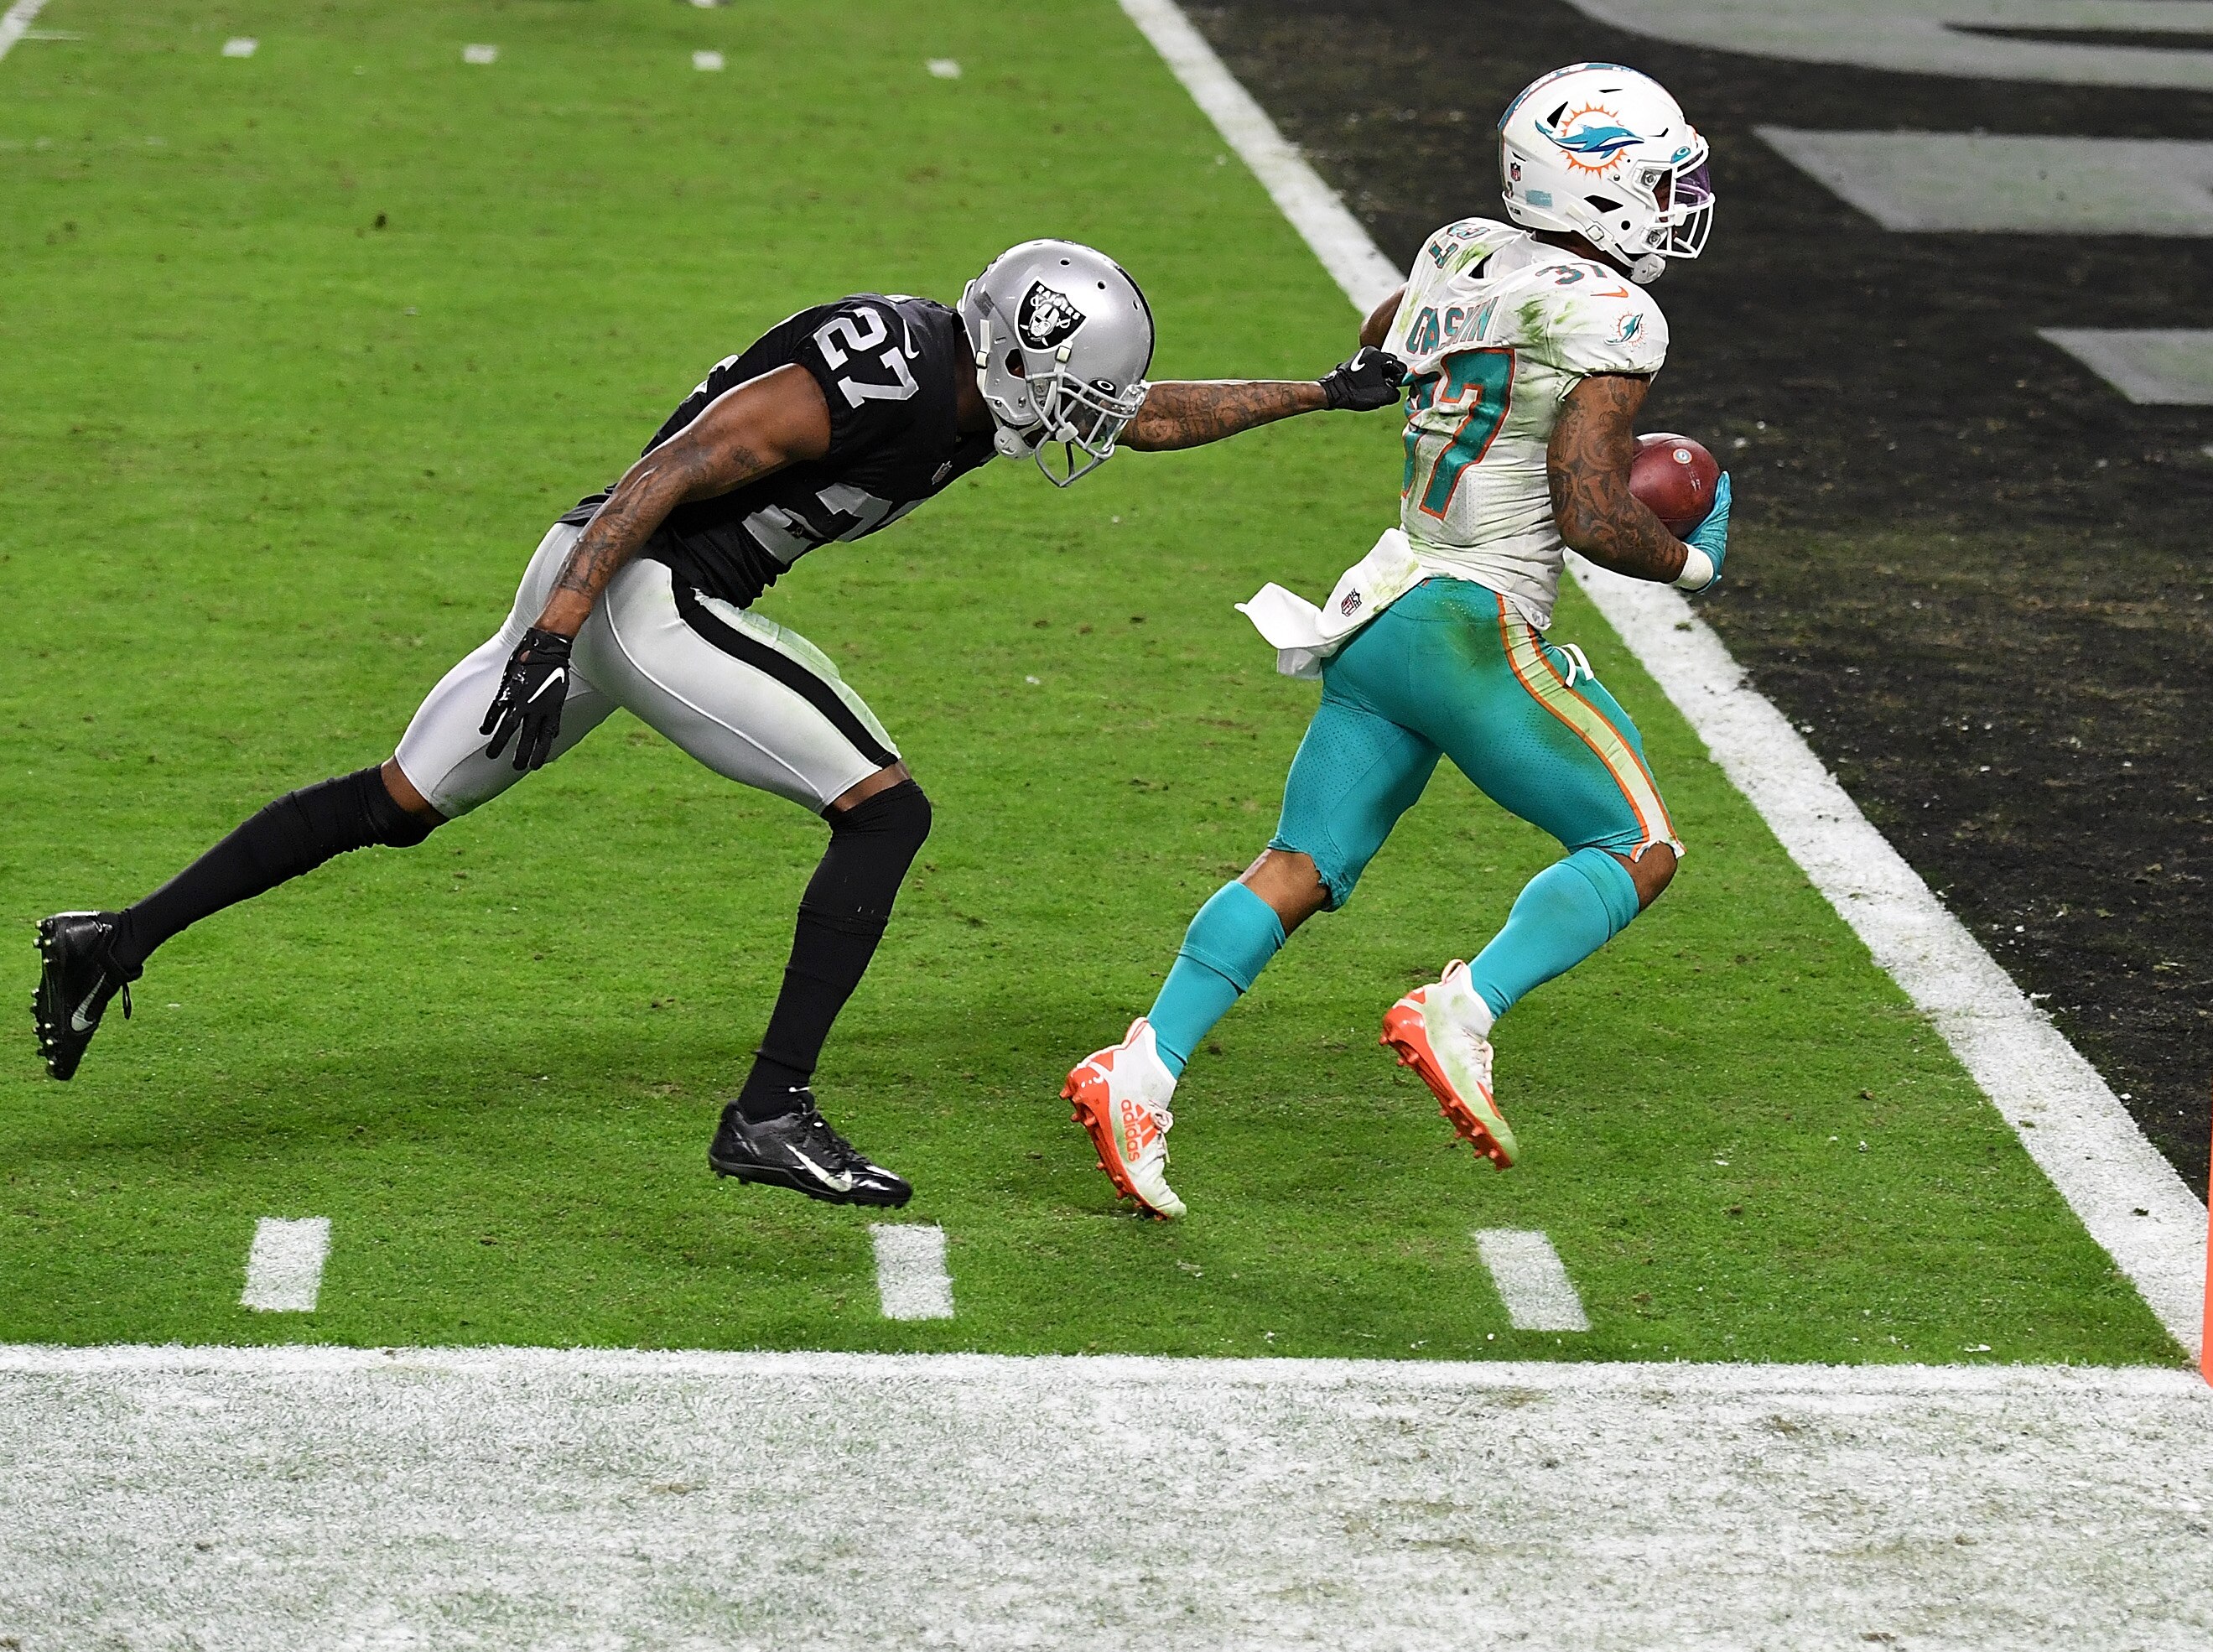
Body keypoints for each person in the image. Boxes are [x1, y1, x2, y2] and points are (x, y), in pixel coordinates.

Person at [32, 238, 1409, 1209]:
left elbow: (1146, 417)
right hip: (641, 586)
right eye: (1073, 392)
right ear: (1017, 350)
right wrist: (563, 627)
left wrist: (1319, 393)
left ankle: (112, 939)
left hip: (616, 585)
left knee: (395, 804)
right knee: (888, 809)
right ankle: (768, 1113)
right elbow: (670, 471)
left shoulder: (980, 376)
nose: (1081, 427)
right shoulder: (877, 370)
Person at [1062, 65, 1734, 1218]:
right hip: (1474, 627)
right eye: (1657, 175)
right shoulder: (1619, 314)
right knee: (1638, 845)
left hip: (1381, 611)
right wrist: (1692, 559)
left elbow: (1386, 342)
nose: (1676, 196)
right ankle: (1461, 1011)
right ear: (1604, 186)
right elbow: (1590, 510)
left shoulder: (1459, 245)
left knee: (1299, 865)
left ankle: (1141, 1070)